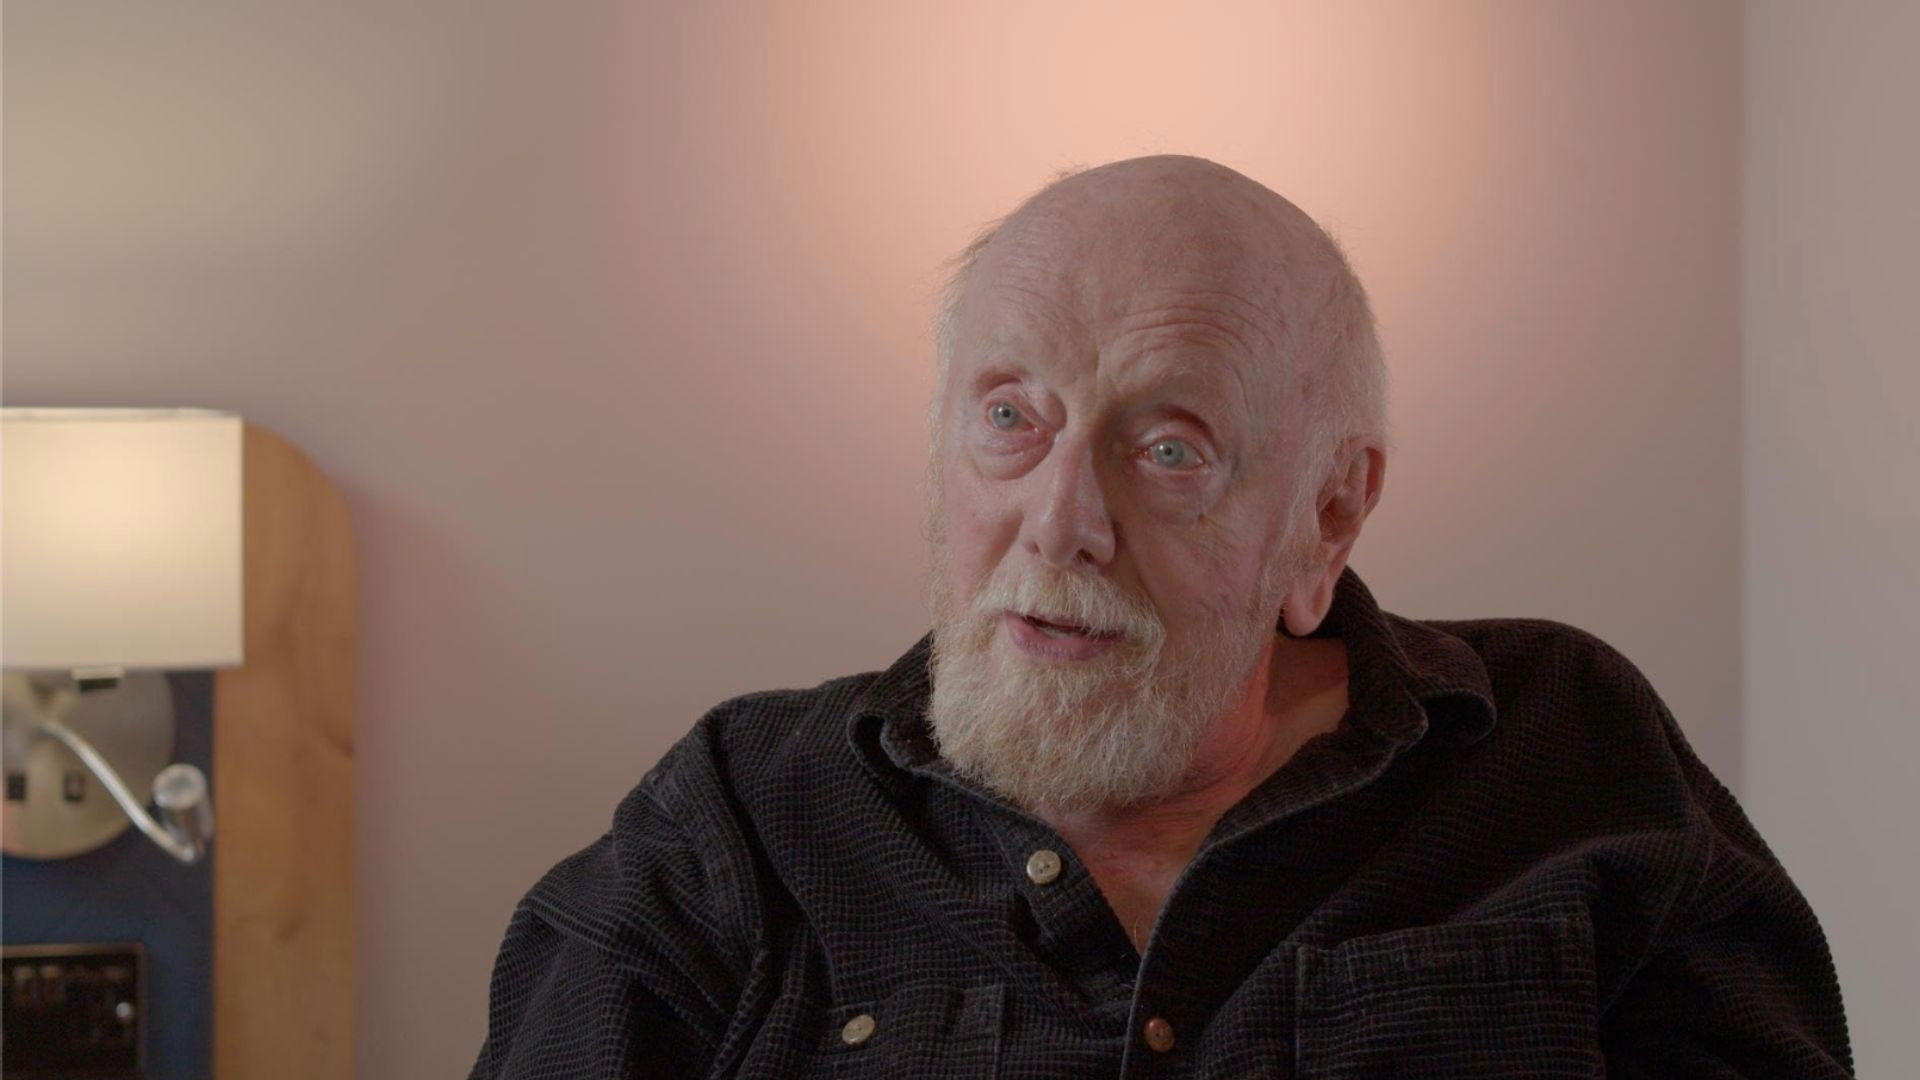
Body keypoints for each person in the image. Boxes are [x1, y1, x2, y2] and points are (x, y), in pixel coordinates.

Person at [470, 155, 1852, 1078]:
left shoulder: (1563, 756)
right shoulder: (741, 823)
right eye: (1010, 418)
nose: (1061, 520)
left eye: (1170, 447)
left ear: (1327, 516)